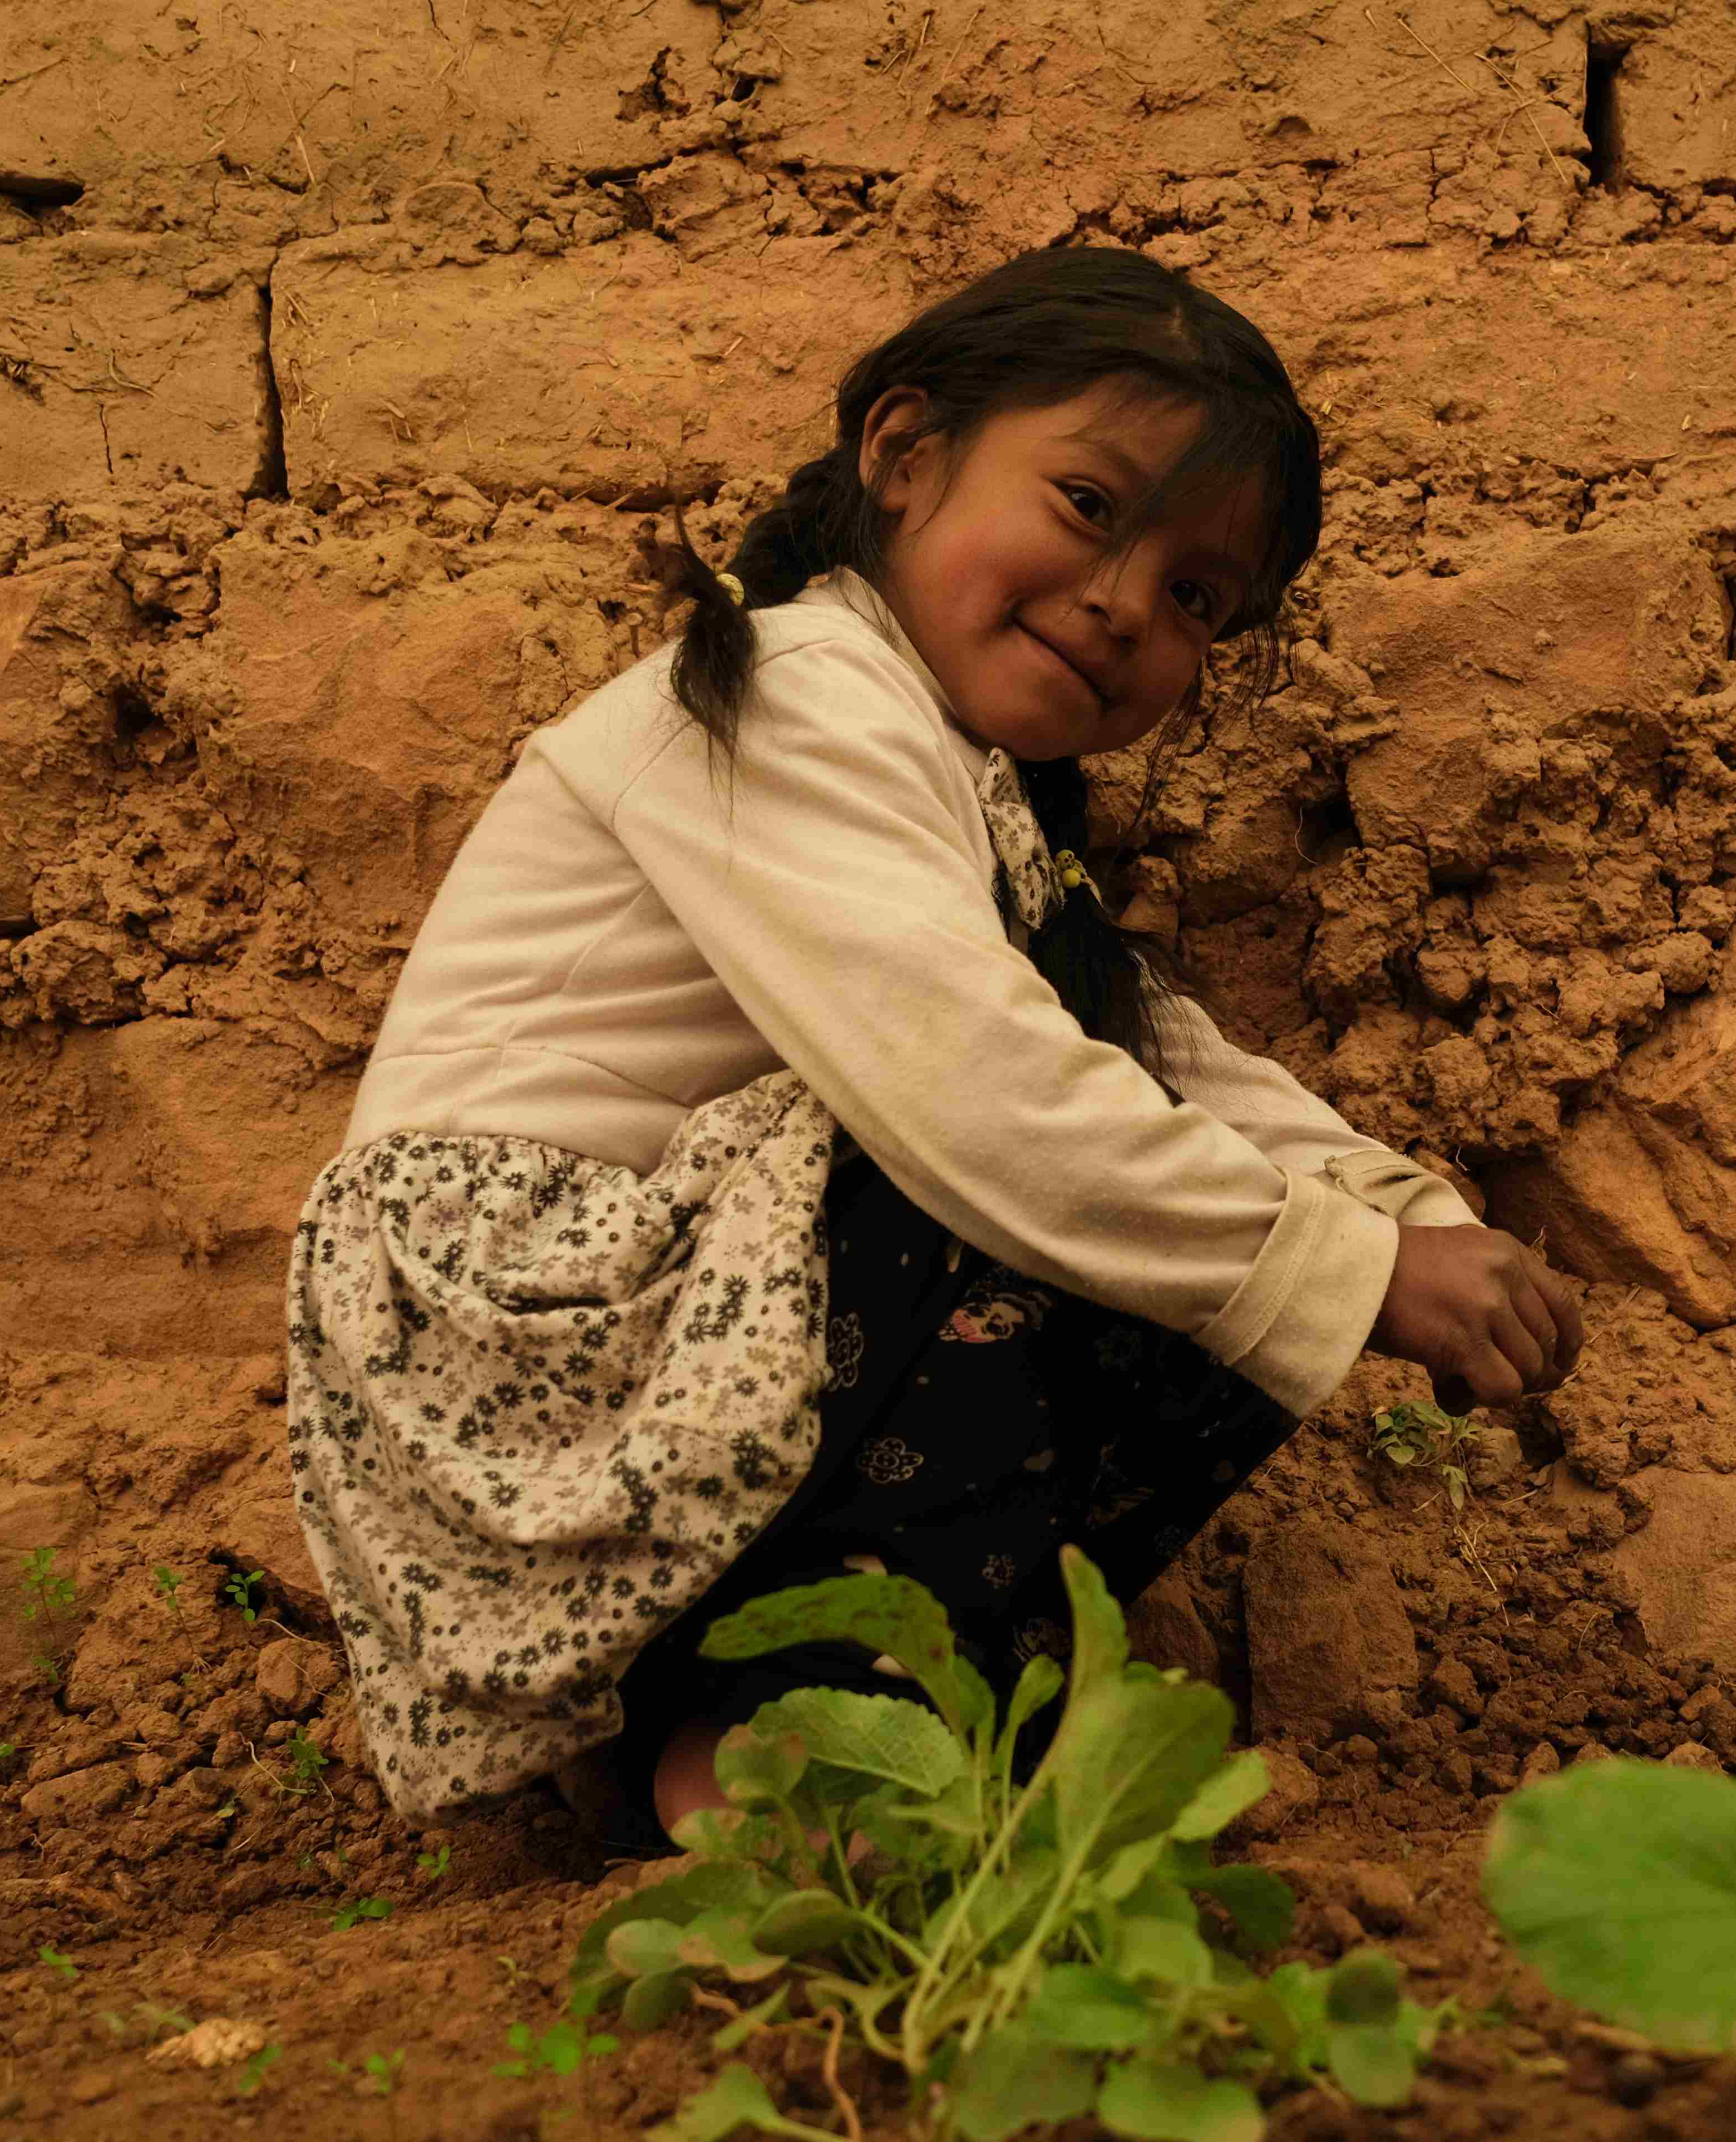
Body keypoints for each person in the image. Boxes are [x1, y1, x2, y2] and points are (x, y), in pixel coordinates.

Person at [285, 246, 1582, 1848]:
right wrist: (1357, 1267)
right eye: (1093, 509)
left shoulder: (979, 799)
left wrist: (1409, 1223)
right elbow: (983, 1094)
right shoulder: (802, 692)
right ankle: (782, 1754)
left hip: (663, 1329)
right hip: (518, 1324)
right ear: (903, 458)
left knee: (1215, 1240)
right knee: (1031, 1172)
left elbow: (1170, 1070)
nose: (1124, 604)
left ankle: (754, 1732)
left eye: (1196, 597)